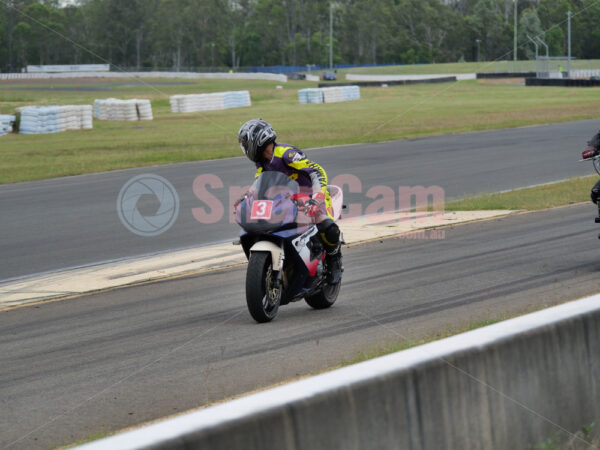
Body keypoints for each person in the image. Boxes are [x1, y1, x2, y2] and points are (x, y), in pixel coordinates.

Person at [237, 118, 343, 284]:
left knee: (326, 226)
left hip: (310, 196)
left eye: (244, 143)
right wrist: (246, 199)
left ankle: (334, 258)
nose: (244, 148)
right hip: (287, 201)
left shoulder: (286, 153)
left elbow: (316, 171)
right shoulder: (262, 163)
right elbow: (259, 185)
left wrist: (317, 198)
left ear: (256, 140)